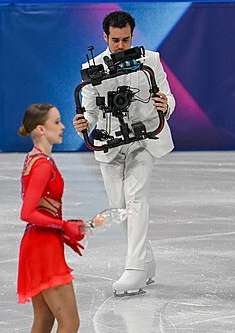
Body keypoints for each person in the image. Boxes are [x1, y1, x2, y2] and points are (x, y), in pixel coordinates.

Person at [72, 11, 175, 296]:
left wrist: (165, 104)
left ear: (133, 35)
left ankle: (135, 270)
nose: (121, 45)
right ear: (105, 37)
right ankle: (147, 260)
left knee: (136, 200)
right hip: (109, 144)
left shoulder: (150, 60)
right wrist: (83, 123)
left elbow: (169, 97)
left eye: (126, 39)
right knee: (120, 207)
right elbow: (89, 112)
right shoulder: (91, 68)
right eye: (115, 40)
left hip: (143, 141)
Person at [17, 103, 87, 333]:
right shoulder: (43, 166)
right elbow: (27, 213)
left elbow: (42, 210)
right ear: (40, 129)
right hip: (43, 249)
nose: (63, 126)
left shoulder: (34, 159)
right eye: (56, 122)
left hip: (37, 244)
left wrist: (63, 229)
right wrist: (63, 225)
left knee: (44, 321)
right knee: (69, 322)